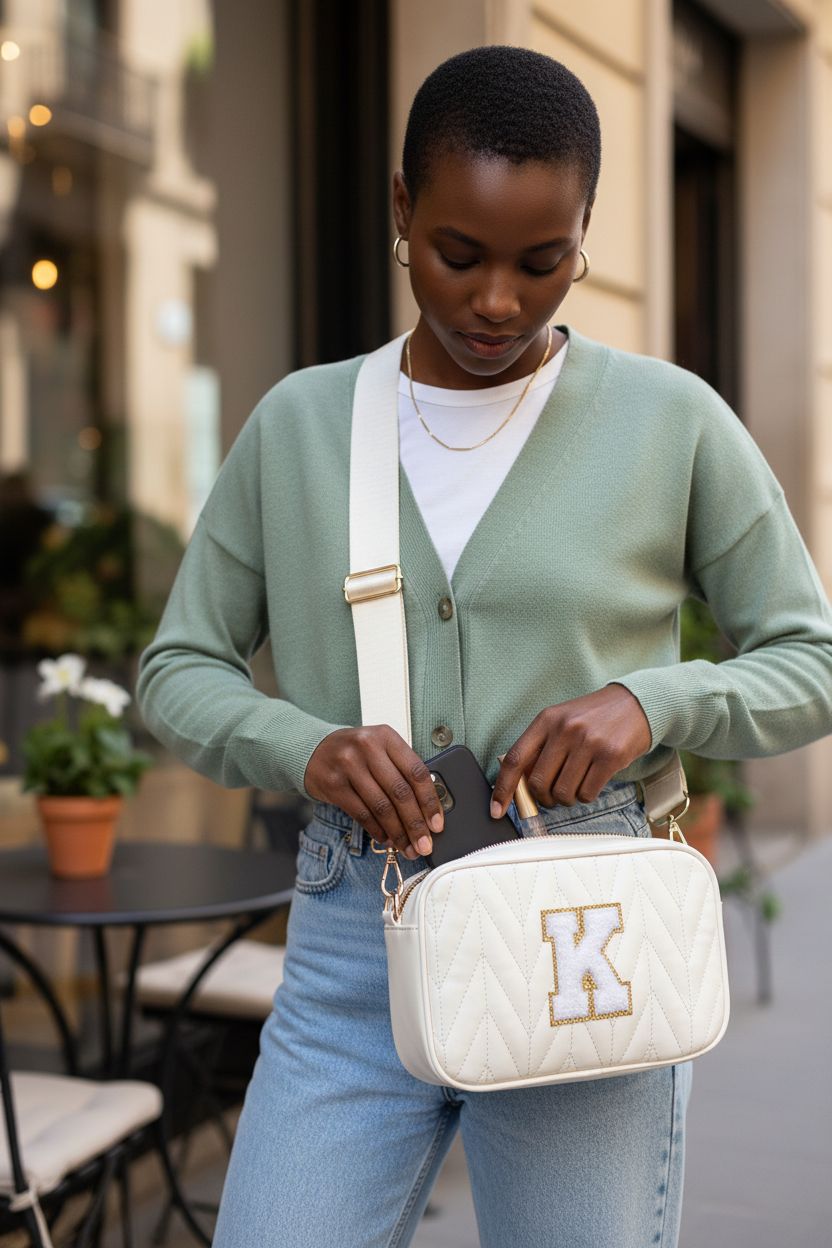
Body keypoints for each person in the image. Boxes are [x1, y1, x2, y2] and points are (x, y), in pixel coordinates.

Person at [137, 46, 832, 1248]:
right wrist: (305, 748)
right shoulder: (301, 424)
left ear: (584, 231)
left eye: (542, 260)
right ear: (402, 212)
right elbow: (178, 670)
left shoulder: (671, 423)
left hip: (586, 935)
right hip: (356, 938)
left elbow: (809, 656)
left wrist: (648, 700)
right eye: (459, 255)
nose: (499, 301)